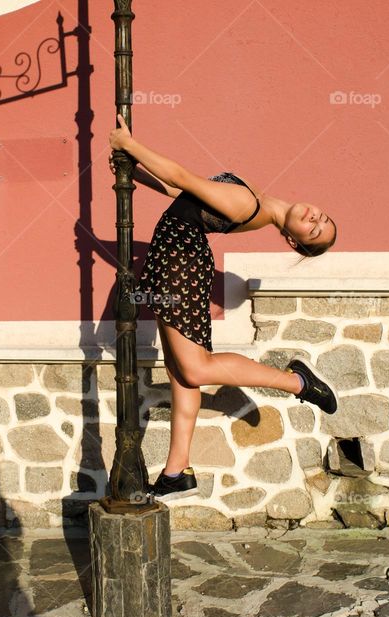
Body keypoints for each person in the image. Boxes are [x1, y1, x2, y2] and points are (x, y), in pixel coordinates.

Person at [108, 114, 339, 502]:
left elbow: (182, 176)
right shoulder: (258, 202)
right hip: (178, 263)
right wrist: (134, 174)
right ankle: (175, 472)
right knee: (182, 372)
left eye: (315, 231)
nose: (314, 219)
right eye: (322, 217)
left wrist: (129, 145)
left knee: (195, 367)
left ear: (295, 243)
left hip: (180, 265)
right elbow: (180, 192)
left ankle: (297, 381)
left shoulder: (249, 203)